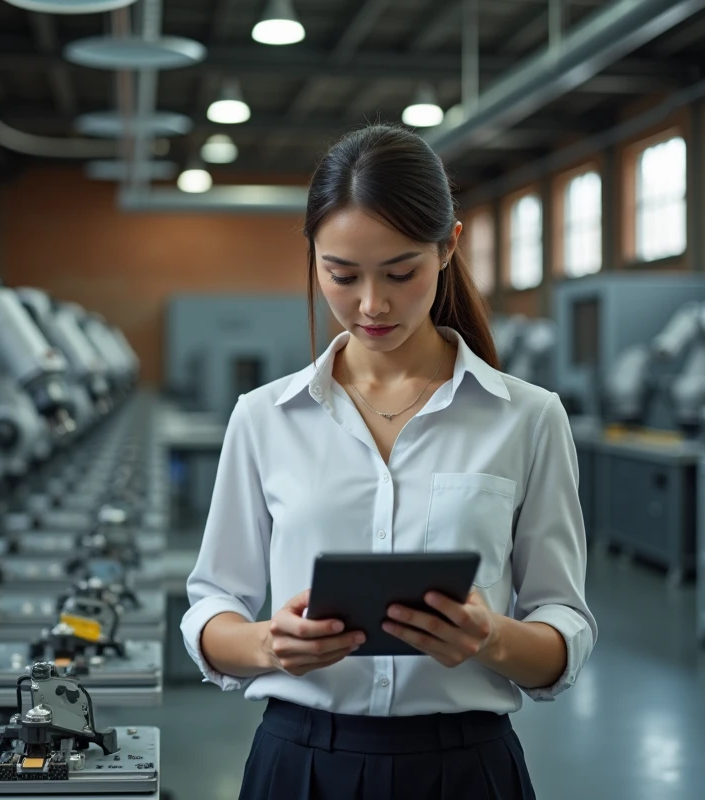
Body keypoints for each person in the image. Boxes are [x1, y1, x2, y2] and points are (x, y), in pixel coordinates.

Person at [180, 124, 596, 800]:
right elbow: (211, 604)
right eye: (340, 274)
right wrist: (267, 644)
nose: (371, 305)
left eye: (402, 272)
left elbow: (563, 626)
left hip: (464, 769)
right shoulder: (264, 417)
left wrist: (490, 638)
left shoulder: (527, 417)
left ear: (449, 246)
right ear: (313, 255)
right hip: (301, 763)